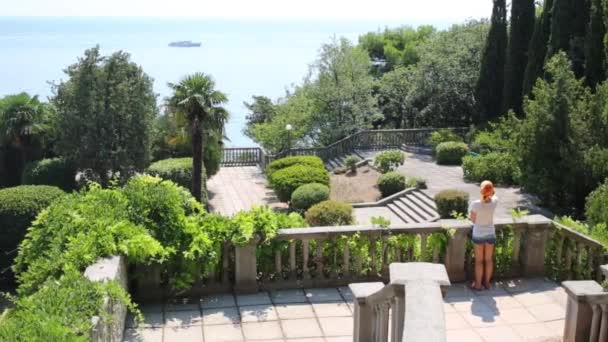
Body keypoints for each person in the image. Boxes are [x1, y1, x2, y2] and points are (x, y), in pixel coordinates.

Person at [469, 180, 498, 290]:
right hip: (490, 233)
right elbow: (494, 195)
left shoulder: (476, 204)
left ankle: (477, 285)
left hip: (478, 234)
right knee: (489, 260)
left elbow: (472, 220)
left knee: (479, 261)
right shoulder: (494, 202)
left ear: (481, 191)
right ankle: (486, 283)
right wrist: (491, 191)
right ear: (491, 190)